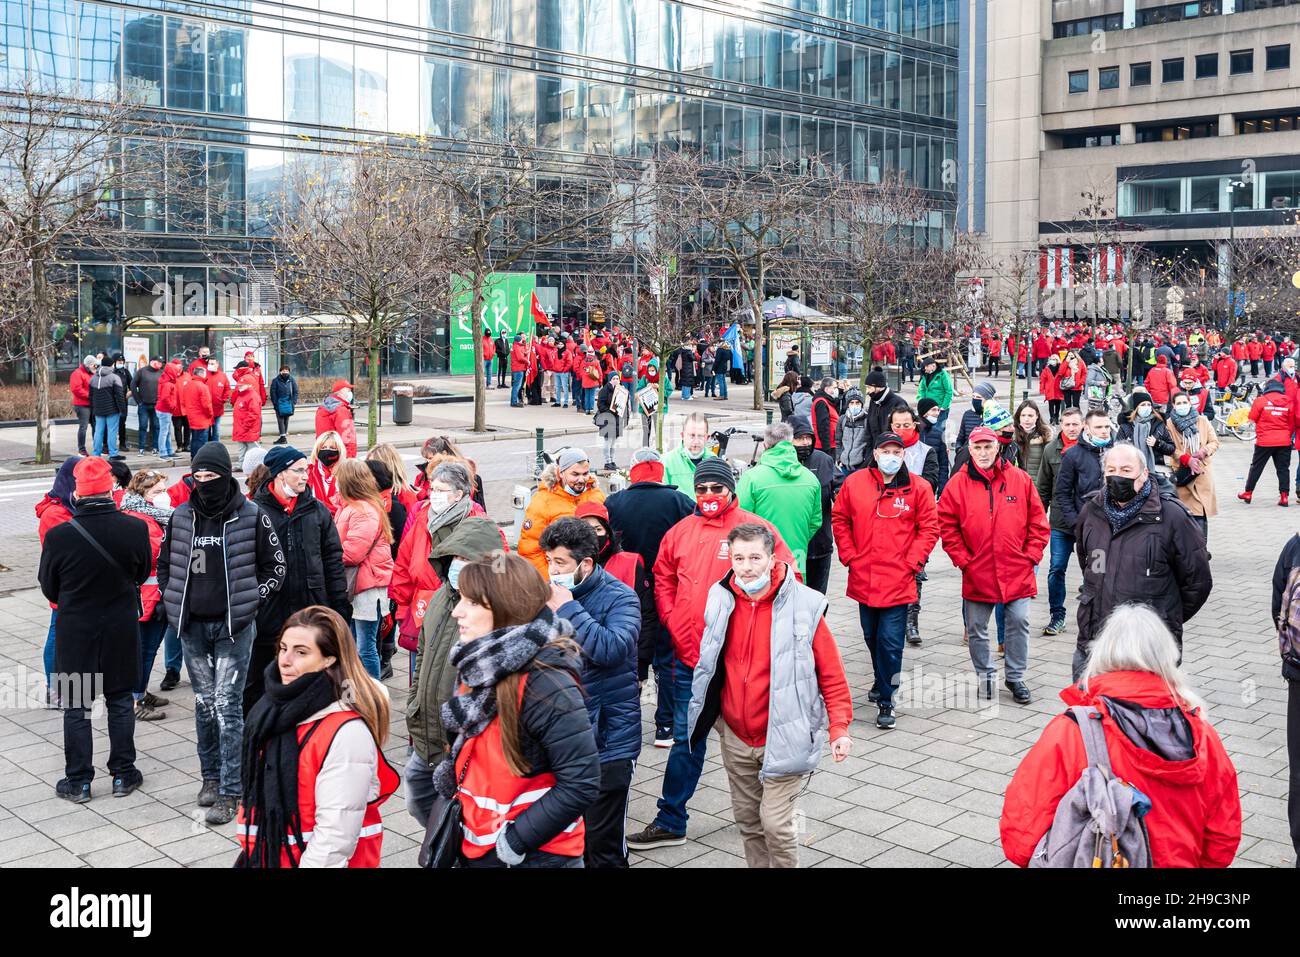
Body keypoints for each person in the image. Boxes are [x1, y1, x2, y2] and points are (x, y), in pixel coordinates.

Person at [628, 458, 795, 851]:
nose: (707, 496)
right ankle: (671, 819)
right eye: (701, 489)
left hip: (744, 661)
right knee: (687, 740)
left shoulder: (754, 528)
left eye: (715, 489)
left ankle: (765, 816)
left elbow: (787, 572)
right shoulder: (681, 531)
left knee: (756, 741)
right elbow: (663, 576)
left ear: (730, 489)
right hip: (692, 659)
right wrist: (672, 618)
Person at [1001, 604, 1240, 868]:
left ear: (1102, 653)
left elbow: (1021, 834)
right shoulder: (1202, 735)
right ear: (1167, 657)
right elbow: (1223, 835)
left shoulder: (1071, 731)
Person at [686, 523, 853, 867]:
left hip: (785, 734)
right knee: (748, 822)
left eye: (755, 557)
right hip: (735, 734)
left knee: (775, 824)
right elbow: (709, 661)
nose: (746, 566)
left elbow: (832, 673)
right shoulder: (721, 598)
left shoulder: (806, 605)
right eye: (739, 557)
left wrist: (839, 727)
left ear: (772, 558)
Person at [434, 554, 601, 868]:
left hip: (534, 855)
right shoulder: (479, 664)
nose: (457, 612)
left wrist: (514, 841)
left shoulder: (547, 683)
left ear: (504, 607)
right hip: (482, 846)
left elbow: (582, 781)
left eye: (471, 603)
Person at [157, 442, 286, 824]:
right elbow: (165, 564)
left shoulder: (252, 516)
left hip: (234, 627)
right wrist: (171, 599)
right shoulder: (181, 517)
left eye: (210, 477)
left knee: (228, 707)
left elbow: (275, 568)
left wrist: (249, 602)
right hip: (192, 626)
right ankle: (209, 778)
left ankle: (233, 790)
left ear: (225, 476)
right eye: (197, 477)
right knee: (203, 704)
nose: (203, 483)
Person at [237, 605, 399, 867]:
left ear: (329, 659)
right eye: (283, 648)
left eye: (301, 652)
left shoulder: (347, 732)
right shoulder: (275, 708)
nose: (285, 660)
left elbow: (335, 836)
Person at [38, 457, 152, 802]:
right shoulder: (134, 528)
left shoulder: (59, 535)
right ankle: (123, 773)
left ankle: (79, 781)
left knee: (76, 705)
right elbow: (143, 572)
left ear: (78, 491)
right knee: (119, 701)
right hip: (120, 625)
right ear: (109, 487)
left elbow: (49, 587)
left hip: (77, 629)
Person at [539, 518, 641, 868]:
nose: (552, 570)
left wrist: (568, 607)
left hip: (609, 742)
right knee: (568, 844)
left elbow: (612, 648)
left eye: (560, 563)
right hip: (561, 740)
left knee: (604, 847)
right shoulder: (545, 597)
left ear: (585, 564)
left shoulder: (620, 597)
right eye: (549, 561)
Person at [1071, 442, 1212, 680]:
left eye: (1126, 470)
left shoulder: (1173, 517)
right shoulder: (1092, 511)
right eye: (1111, 470)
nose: (1118, 476)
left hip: (1147, 650)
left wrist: (1164, 617)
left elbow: (1197, 582)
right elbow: (1090, 564)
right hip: (1094, 642)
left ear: (1144, 473)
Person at [832, 432, 940, 727]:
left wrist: (913, 562)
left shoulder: (918, 488)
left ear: (904, 455)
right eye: (886, 450)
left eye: (897, 450)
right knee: (871, 636)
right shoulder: (855, 483)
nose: (891, 455)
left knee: (890, 642)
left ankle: (887, 700)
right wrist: (850, 555)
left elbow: (929, 527)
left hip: (899, 579)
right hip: (864, 577)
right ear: (876, 454)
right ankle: (882, 679)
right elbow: (840, 518)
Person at [938, 427, 1050, 704]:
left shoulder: (1019, 480)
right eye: (978, 447)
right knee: (976, 627)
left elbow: (1038, 523)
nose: (984, 452)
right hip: (978, 570)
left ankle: (1015, 676)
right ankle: (986, 677)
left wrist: (1030, 556)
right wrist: (963, 560)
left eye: (988, 446)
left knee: (1019, 621)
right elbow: (947, 526)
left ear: (997, 447)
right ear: (970, 450)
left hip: (1016, 568)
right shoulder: (958, 484)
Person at [246, 445, 351, 714]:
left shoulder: (317, 511)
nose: (306, 476)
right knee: (261, 683)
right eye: (300, 470)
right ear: (280, 474)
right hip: (268, 615)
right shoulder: (254, 513)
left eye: (307, 470)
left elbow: (332, 561)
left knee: (312, 682)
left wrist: (339, 607)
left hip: (311, 610)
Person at [605, 448, 695, 748]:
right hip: (667, 590)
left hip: (625, 589)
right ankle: (665, 726)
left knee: (627, 659)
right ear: (659, 472)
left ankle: (622, 725)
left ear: (633, 473)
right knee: (666, 660)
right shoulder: (679, 501)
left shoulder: (614, 502)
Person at [118, 469, 175, 721]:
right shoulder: (143, 519)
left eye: (164, 490)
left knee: (147, 647)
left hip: (152, 594)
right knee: (145, 648)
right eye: (158, 492)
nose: (164, 496)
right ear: (143, 494)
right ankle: (134, 699)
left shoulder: (150, 515)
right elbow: (156, 555)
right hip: (147, 596)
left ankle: (140, 692)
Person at [333, 459, 394, 679]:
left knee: (365, 647)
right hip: (360, 585)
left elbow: (352, 553)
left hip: (367, 588)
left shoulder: (363, 510)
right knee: (357, 645)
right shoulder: (352, 507)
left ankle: (372, 693)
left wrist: (328, 554)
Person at [737, 422, 822, 575]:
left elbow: (739, 521)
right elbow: (815, 521)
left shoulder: (751, 478)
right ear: (790, 443)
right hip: (797, 556)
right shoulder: (810, 478)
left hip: (760, 561)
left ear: (765, 445)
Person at [517, 446, 605, 576]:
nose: (581, 480)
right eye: (575, 474)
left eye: (585, 474)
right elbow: (530, 550)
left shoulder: (596, 495)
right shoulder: (542, 501)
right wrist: (551, 579)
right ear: (560, 473)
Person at [789, 416, 837, 596]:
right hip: (793, 547)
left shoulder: (823, 460)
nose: (805, 442)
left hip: (821, 544)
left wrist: (838, 493)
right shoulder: (783, 463)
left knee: (817, 599)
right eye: (799, 438)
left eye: (808, 438)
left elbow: (838, 484)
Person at [1164, 389, 1218, 539]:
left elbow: (1214, 442)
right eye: (1178, 403)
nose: (1182, 405)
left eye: (1184, 402)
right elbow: (1170, 448)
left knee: (1201, 511)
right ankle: (1188, 549)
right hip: (1183, 472)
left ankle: (1201, 549)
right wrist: (1186, 458)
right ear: (1173, 406)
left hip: (1202, 471)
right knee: (1185, 513)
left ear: (1190, 403)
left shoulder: (1202, 420)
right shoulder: (1169, 424)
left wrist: (1203, 452)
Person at [1241, 378, 1296, 506]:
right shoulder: (1289, 402)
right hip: (1284, 441)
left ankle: (1248, 493)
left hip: (1264, 441)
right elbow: (1292, 423)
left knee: (1256, 467)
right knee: (1283, 469)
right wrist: (1287, 435)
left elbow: (1252, 418)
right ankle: (1284, 496)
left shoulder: (1260, 401)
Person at [661, 413, 713, 500]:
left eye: (700, 436)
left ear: (707, 438)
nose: (696, 441)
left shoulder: (714, 461)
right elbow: (663, 499)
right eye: (692, 436)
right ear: (682, 436)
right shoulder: (667, 462)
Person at [861, 368, 909, 451]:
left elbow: (902, 433)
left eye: (869, 387)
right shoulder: (874, 401)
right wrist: (869, 452)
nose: (867, 391)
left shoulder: (898, 403)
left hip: (891, 452)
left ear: (879, 387)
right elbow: (869, 431)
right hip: (875, 452)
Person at [88, 359, 126, 458]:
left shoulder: (93, 378)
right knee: (112, 431)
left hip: (98, 410)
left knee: (98, 431)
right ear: (112, 365)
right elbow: (120, 395)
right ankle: (113, 453)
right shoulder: (114, 377)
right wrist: (123, 409)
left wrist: (93, 409)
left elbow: (91, 396)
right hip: (112, 409)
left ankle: (96, 454)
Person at [1012, 400, 1052, 488]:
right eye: (1023, 415)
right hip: (1017, 487)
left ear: (1037, 416)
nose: (1026, 419)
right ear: (1018, 416)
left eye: (1030, 415)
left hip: (1038, 488)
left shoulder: (1045, 436)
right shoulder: (1011, 436)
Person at [315, 380, 357, 458]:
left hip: (324, 452)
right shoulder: (341, 410)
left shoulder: (322, 408)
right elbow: (347, 437)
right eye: (348, 390)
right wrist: (350, 458)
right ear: (340, 392)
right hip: (339, 455)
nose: (350, 393)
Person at [307, 430, 344, 515]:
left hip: (339, 521)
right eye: (323, 448)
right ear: (317, 450)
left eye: (332, 448)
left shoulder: (346, 473)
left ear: (339, 451)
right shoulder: (308, 472)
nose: (327, 451)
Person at [230, 368, 263, 464]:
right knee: (242, 448)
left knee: (254, 448)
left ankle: (261, 463)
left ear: (249, 385)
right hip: (241, 428)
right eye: (239, 385)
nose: (240, 387)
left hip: (248, 429)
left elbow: (254, 414)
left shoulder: (252, 396)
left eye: (242, 385)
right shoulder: (241, 395)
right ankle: (241, 464)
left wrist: (245, 426)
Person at [834, 387, 870, 474]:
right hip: (844, 466)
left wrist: (865, 462)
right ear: (848, 404)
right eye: (852, 403)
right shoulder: (842, 419)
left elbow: (869, 443)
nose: (854, 405)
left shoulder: (867, 420)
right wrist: (839, 459)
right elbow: (838, 441)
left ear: (861, 404)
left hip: (860, 466)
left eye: (857, 403)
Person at [182, 364, 215, 459]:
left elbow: (184, 402)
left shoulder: (188, 385)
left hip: (192, 417)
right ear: (202, 374)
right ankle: (201, 461)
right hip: (202, 419)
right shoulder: (202, 386)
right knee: (202, 442)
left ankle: (194, 459)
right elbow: (206, 405)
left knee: (195, 440)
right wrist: (210, 415)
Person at [132, 356, 163, 453]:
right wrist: (139, 401)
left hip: (156, 405)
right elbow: (133, 385)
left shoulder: (161, 373)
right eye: (159, 362)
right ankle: (141, 447)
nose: (161, 364)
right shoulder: (142, 371)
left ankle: (155, 447)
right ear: (153, 362)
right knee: (143, 426)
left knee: (156, 426)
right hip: (144, 404)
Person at [594, 371, 623, 471]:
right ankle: (607, 462)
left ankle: (612, 461)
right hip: (607, 418)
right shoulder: (604, 390)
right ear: (610, 379)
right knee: (608, 441)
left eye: (617, 378)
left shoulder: (620, 390)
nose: (616, 380)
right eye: (613, 378)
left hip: (617, 418)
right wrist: (610, 411)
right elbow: (600, 405)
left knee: (613, 442)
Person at [955, 380, 996, 448]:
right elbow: (960, 439)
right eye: (973, 397)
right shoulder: (967, 414)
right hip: (967, 455)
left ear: (988, 400)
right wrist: (959, 450)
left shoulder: (995, 415)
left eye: (978, 397)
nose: (975, 400)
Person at [917, 357, 953, 434]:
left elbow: (949, 391)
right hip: (928, 408)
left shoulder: (943, 375)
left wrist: (944, 407)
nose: (924, 369)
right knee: (927, 429)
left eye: (926, 367)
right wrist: (921, 401)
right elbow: (921, 390)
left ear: (933, 366)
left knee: (938, 430)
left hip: (940, 408)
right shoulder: (925, 375)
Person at [70, 355, 97, 455]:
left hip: (92, 403)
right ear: (89, 364)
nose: (96, 367)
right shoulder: (77, 373)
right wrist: (90, 396)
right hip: (82, 405)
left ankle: (97, 446)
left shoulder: (92, 373)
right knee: (83, 427)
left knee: (96, 426)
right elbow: (76, 389)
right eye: (94, 365)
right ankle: (81, 449)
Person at [811, 377, 840, 459]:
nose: (836, 390)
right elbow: (823, 426)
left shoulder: (826, 401)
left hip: (829, 443)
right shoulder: (821, 402)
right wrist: (827, 447)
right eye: (834, 388)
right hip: (825, 445)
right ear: (827, 389)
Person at [269, 365, 298, 444]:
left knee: (286, 420)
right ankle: (283, 437)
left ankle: (283, 437)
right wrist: (275, 403)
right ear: (280, 372)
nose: (285, 372)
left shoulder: (291, 380)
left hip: (289, 403)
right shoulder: (276, 381)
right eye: (283, 371)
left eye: (286, 371)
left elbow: (295, 391)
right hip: (279, 403)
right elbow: (273, 392)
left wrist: (294, 402)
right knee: (280, 420)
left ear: (289, 372)